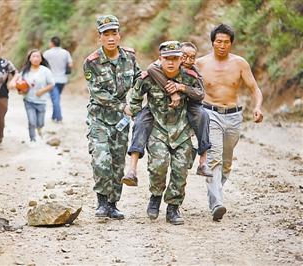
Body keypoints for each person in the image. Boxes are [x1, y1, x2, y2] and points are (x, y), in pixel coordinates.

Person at [128, 41, 204, 225]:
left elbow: (201, 94)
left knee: (180, 171)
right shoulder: (148, 77)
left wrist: (182, 89)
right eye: (166, 59)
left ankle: (173, 208)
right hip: (158, 129)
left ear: (181, 59)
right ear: (159, 59)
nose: (171, 62)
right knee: (158, 166)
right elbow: (135, 99)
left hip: (182, 130)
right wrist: (140, 118)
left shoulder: (189, 76)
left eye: (175, 59)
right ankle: (155, 196)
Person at [196, 24, 263, 222]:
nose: (222, 45)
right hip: (209, 113)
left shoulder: (240, 63)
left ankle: (214, 195)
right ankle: (217, 203)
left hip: (233, 116)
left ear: (231, 43)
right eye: (219, 42)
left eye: (226, 42)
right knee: (214, 158)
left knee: (226, 164)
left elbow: (255, 88)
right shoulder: (200, 63)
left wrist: (258, 107)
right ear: (212, 42)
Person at [83, 15, 141, 220]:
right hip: (99, 118)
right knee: (101, 159)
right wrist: (122, 106)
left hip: (121, 122)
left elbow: (139, 82)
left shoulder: (130, 57)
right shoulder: (92, 62)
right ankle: (101, 201)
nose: (110, 38)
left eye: (114, 33)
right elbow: (97, 92)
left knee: (117, 162)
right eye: (106, 34)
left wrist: (136, 103)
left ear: (119, 35)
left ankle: (112, 204)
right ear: (99, 37)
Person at [10, 49, 55, 146]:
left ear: (41, 59)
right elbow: (18, 85)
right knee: (31, 121)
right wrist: (20, 90)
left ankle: (39, 129)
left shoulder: (45, 71)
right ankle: (32, 139)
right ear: (29, 59)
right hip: (29, 100)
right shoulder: (25, 71)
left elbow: (52, 84)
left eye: (37, 56)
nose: (35, 58)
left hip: (42, 101)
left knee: (40, 123)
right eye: (33, 56)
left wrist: (42, 91)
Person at [43, 36, 73, 123]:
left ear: (52, 43)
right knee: (56, 98)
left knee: (55, 99)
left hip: (51, 80)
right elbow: (70, 64)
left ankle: (59, 118)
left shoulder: (47, 53)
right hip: (62, 79)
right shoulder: (65, 53)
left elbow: (42, 65)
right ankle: (54, 117)